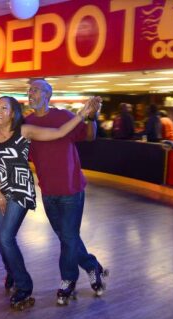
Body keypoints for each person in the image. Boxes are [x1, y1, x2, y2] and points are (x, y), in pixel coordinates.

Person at [0, 95, 100, 310]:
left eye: (3, 107)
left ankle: (48, 283)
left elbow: (72, 133)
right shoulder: (6, 130)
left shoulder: (44, 123)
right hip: (32, 190)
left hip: (46, 190)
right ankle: (91, 266)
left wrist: (86, 115)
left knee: (62, 237)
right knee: (59, 236)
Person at [24, 79, 108, 305]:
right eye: (29, 90)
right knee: (67, 236)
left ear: (48, 94)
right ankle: (93, 267)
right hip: (49, 191)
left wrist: (91, 117)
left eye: (35, 90)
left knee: (69, 237)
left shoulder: (64, 117)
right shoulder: (26, 123)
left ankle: (68, 280)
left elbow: (90, 135)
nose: (30, 93)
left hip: (71, 188)